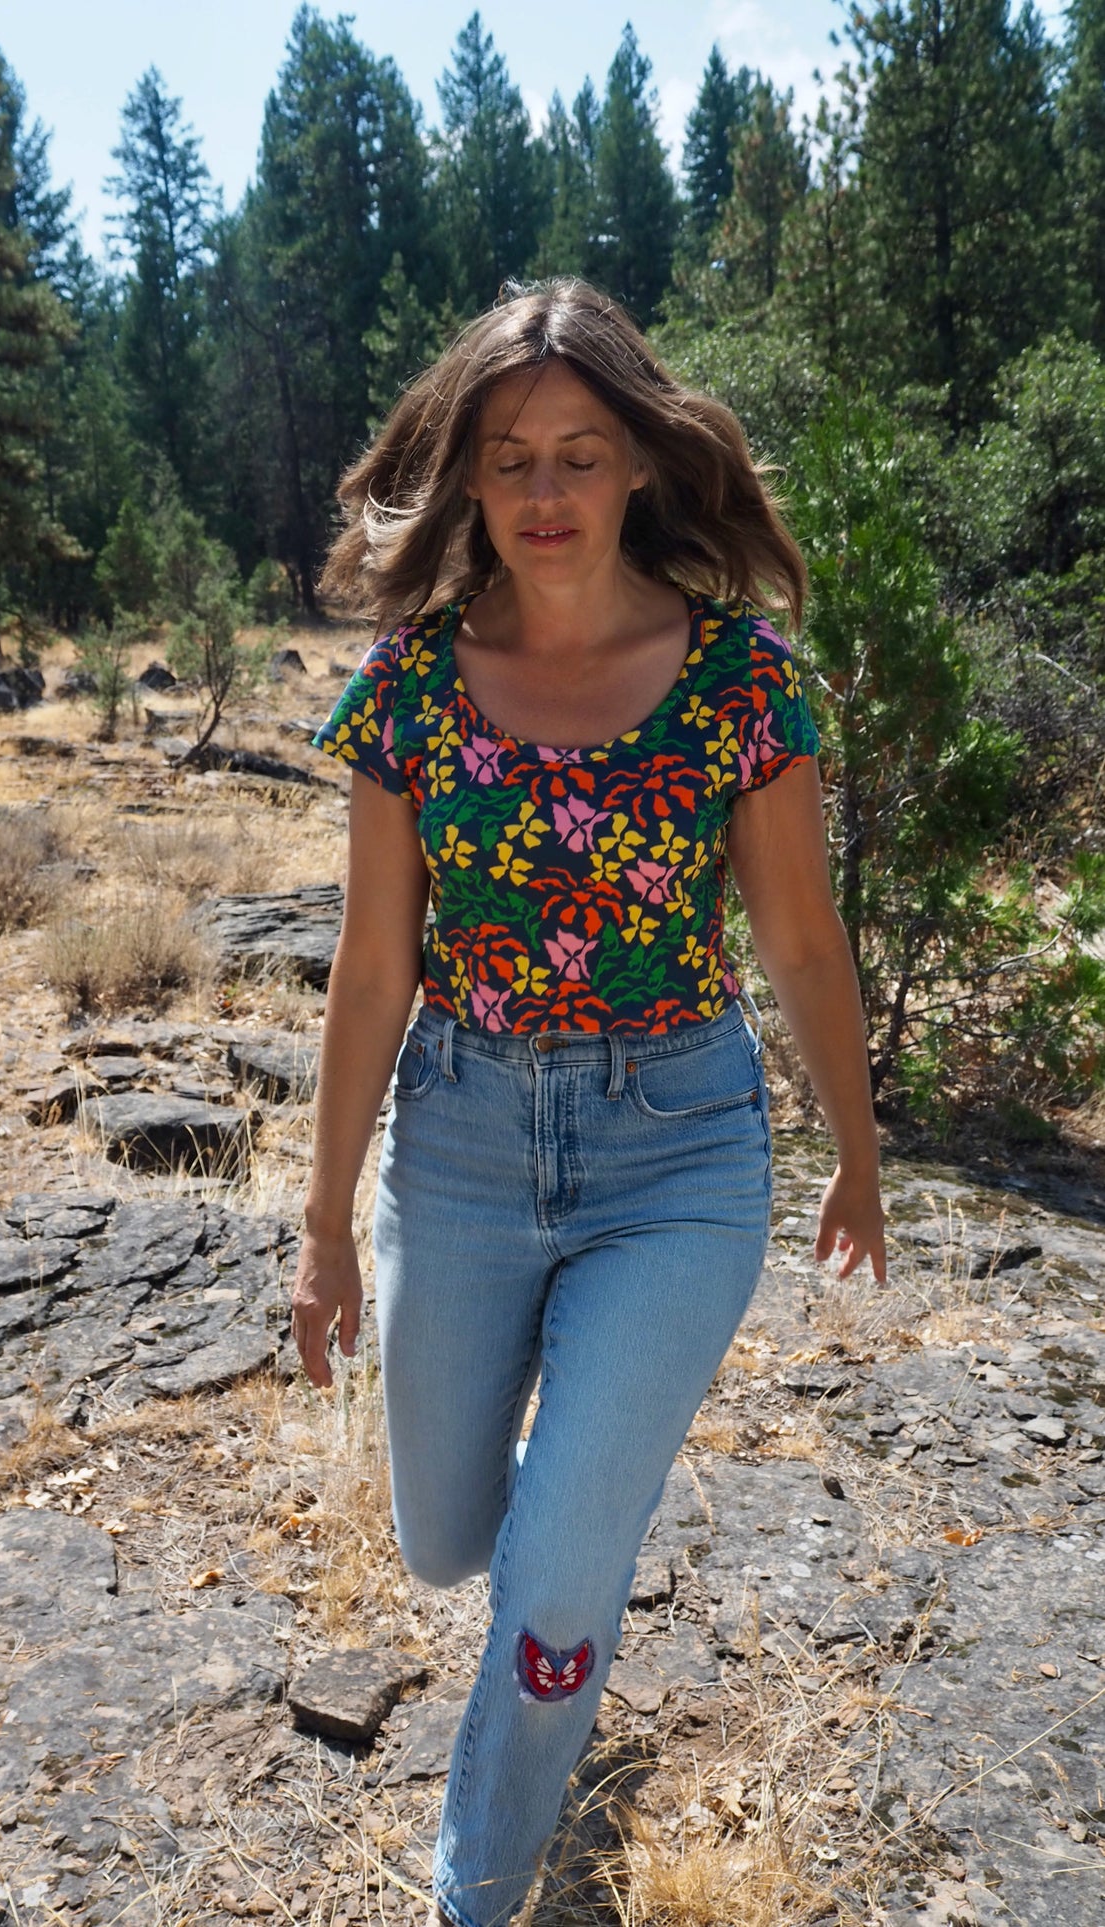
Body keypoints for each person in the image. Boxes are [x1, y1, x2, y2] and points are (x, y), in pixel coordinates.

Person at [291, 278, 886, 1927]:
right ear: (467, 481)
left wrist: (855, 1153)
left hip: (674, 1153)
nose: (542, 492)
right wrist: (323, 1224)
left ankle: (479, 1882)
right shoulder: (413, 685)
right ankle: (566, 1540)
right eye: (507, 459)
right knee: (443, 1543)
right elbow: (370, 971)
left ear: (639, 461)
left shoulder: (736, 681)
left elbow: (797, 938)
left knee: (555, 1569)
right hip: (461, 1143)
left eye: (576, 453)